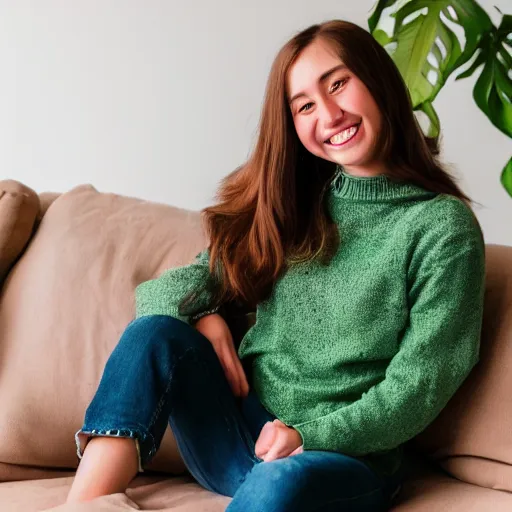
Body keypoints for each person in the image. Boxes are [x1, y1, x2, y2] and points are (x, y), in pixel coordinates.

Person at [66, 19, 486, 512]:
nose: (329, 113)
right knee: (153, 334)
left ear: (378, 80)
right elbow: (157, 294)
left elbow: (420, 387)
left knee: (279, 483)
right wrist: (204, 317)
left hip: (341, 458)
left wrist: (305, 435)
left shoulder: (442, 227)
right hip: (239, 433)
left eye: (338, 83)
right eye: (304, 105)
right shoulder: (292, 207)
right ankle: (84, 504)